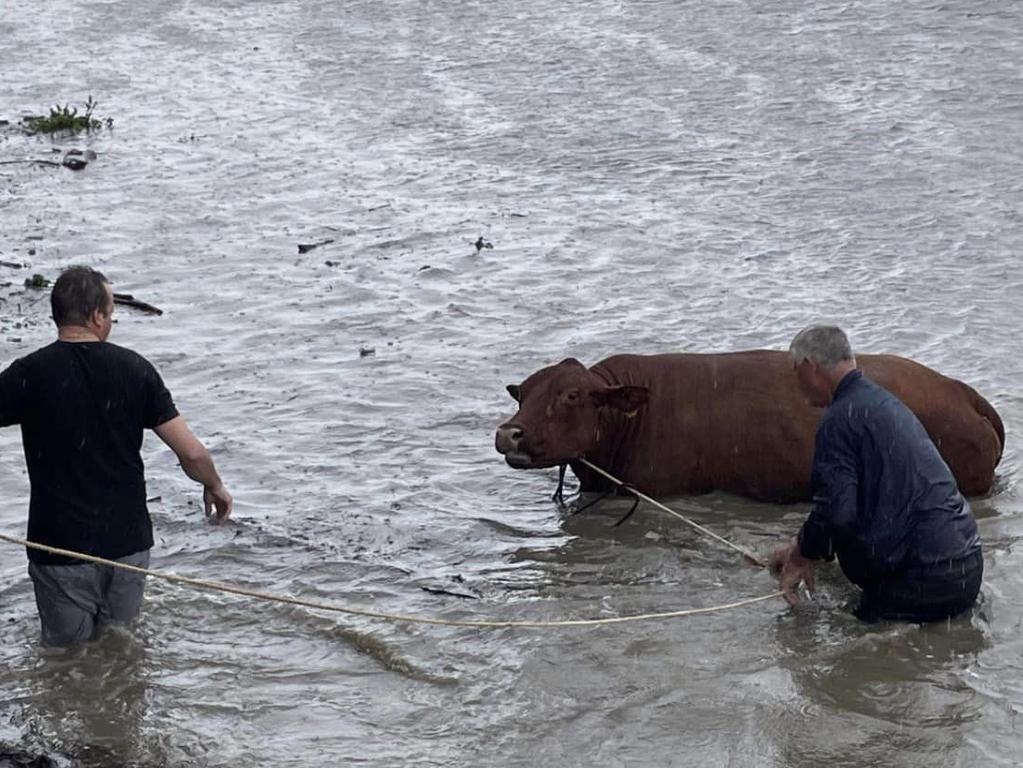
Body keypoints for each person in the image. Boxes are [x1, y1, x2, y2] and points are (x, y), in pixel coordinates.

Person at [0, 265, 233, 645]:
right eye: (111, 312)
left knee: (66, 660)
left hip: (59, 546)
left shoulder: (28, 374)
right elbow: (191, 452)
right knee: (120, 649)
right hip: (126, 544)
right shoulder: (135, 370)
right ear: (97, 316)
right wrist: (214, 485)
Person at [769, 325, 983, 622]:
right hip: (966, 570)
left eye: (796, 372)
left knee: (824, 638)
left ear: (810, 366)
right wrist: (802, 545)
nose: (797, 384)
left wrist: (801, 555)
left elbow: (837, 512)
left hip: (922, 582)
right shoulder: (885, 404)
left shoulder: (838, 421)